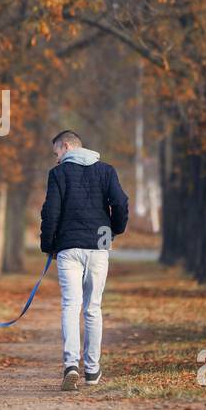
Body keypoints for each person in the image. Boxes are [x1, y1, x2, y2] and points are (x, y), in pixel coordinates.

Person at [38, 130, 129, 391]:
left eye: (57, 153)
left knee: (70, 305)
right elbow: (121, 203)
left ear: (66, 146)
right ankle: (91, 369)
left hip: (68, 247)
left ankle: (70, 365)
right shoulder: (107, 170)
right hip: (99, 246)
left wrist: (48, 246)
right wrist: (114, 229)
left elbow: (50, 212)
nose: (56, 159)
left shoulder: (58, 174)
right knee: (93, 308)